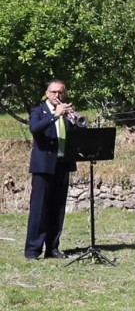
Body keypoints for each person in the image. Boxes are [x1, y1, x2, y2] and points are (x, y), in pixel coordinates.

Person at [24, 79, 86, 260]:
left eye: (60, 92)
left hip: (62, 164)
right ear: (47, 93)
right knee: (39, 209)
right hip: (43, 167)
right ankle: (32, 251)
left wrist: (75, 119)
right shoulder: (38, 111)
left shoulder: (66, 113)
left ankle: (53, 248)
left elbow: (81, 132)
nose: (57, 96)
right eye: (53, 92)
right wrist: (55, 115)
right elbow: (35, 129)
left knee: (57, 209)